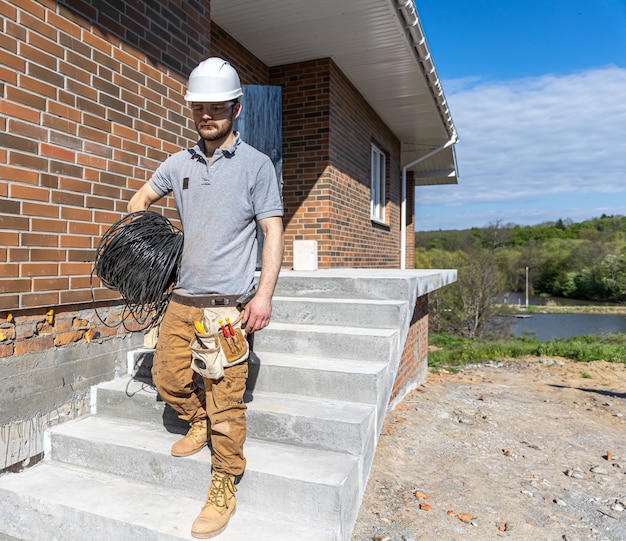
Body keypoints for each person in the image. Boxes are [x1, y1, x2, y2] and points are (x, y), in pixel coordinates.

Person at [127, 57, 284, 539]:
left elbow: (272, 231)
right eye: (199, 107)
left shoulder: (257, 165)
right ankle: (195, 421)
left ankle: (224, 481)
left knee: (226, 398)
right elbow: (138, 203)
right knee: (166, 376)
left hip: (228, 306)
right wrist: (155, 244)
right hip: (182, 298)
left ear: (236, 108)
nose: (206, 115)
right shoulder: (178, 163)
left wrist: (263, 296)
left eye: (216, 106)